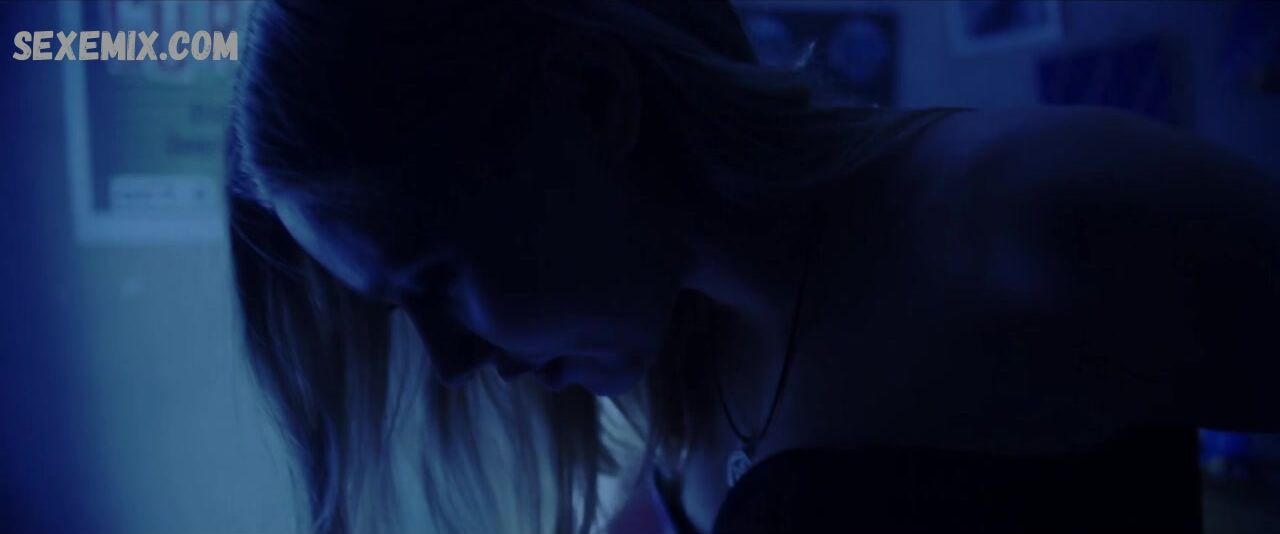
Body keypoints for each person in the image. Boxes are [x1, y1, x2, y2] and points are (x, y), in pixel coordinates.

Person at [227, 1, 1280, 533]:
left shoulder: (1034, 218)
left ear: (597, 99)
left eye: (436, 277)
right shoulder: (686, 371)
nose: (454, 362)